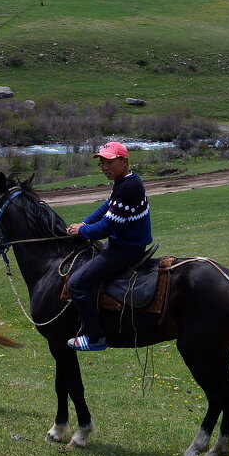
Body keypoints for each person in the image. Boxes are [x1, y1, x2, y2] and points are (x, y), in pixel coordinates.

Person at [63, 141, 152, 351]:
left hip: (124, 250)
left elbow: (108, 227)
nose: (105, 168)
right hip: (128, 244)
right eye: (102, 163)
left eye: (110, 162)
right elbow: (106, 207)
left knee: (76, 284)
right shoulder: (125, 182)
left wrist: (82, 232)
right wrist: (84, 223)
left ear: (124, 161)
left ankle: (96, 338)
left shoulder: (128, 187)